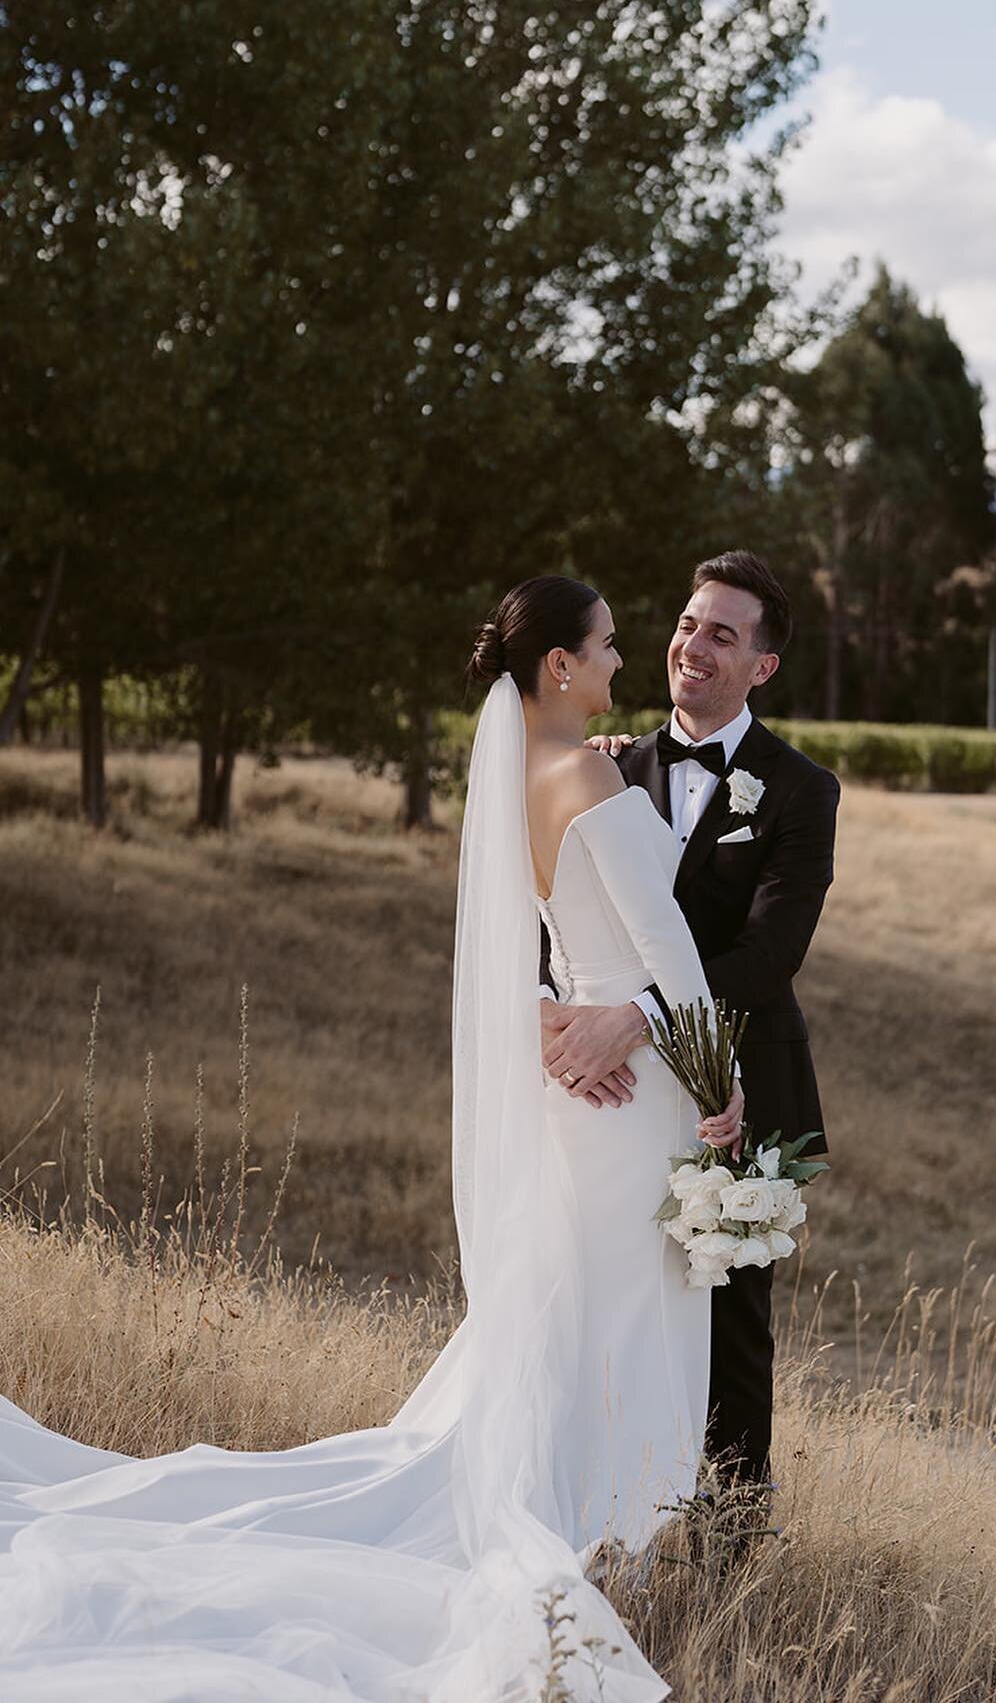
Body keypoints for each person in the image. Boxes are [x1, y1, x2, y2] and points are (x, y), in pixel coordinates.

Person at [0, 575, 741, 1702]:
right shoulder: (589, 771)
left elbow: (539, 948)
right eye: (604, 646)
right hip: (633, 1094)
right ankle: (599, 1543)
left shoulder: (523, 778)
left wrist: (552, 1015)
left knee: (574, 1317)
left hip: (575, 1086)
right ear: (558, 667)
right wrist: (718, 1083)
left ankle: (584, 1521)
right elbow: (670, 952)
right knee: (627, 1319)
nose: (621, 661)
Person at [539, 550, 841, 1509]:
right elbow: (548, 923)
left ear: (763, 666)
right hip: (613, 1098)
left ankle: (724, 1548)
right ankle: (606, 1508)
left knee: (730, 1321)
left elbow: (767, 957)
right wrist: (558, 1031)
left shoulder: (800, 790)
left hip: (738, 1091)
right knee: (607, 1298)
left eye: (723, 633)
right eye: (685, 622)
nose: (691, 647)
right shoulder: (603, 766)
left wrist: (635, 1019)